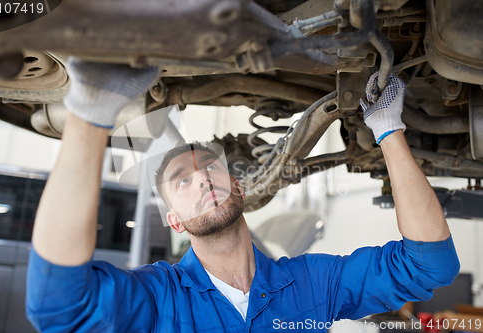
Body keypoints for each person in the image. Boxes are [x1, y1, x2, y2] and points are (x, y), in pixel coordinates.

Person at [26, 58, 460, 333]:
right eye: (181, 180)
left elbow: (430, 265)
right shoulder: (160, 299)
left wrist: (388, 131)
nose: (200, 179)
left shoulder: (312, 285)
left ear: (237, 187)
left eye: (209, 167)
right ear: (173, 220)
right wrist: (92, 110)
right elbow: (59, 309)